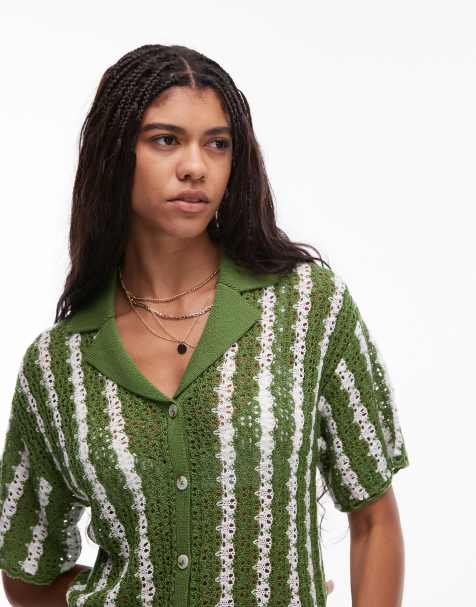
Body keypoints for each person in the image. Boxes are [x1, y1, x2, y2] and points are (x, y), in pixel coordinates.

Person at [0, 44, 409, 607]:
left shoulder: (307, 308)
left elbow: (375, 520)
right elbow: (28, 570)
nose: (195, 166)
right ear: (114, 154)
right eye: (165, 140)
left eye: (217, 143)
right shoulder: (56, 367)